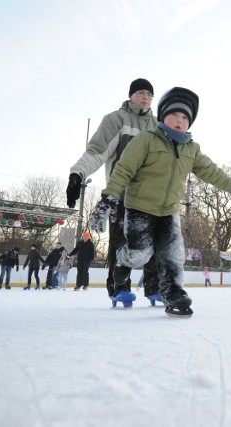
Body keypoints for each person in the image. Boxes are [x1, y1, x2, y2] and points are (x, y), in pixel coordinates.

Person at [90, 87, 231, 315]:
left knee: (173, 253)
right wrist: (108, 199)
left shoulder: (192, 149)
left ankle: (172, 291)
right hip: (139, 207)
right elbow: (124, 170)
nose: (179, 121)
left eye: (184, 118)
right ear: (163, 116)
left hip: (168, 211)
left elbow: (213, 172)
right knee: (141, 253)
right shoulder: (146, 140)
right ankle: (122, 263)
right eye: (174, 115)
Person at [67, 78, 159, 299]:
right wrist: (77, 173)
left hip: (151, 198)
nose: (145, 97)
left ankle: (156, 288)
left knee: (156, 241)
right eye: (140, 92)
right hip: (122, 194)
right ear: (130, 96)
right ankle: (120, 287)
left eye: (149, 94)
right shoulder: (116, 120)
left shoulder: (158, 126)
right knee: (121, 241)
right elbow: (97, 151)